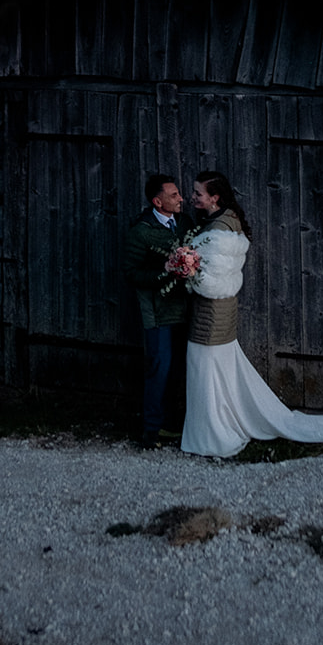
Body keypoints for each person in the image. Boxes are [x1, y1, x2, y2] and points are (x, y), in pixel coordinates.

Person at [181, 169, 323, 458]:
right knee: (214, 372)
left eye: (198, 193)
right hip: (215, 313)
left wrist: (185, 271)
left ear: (214, 197)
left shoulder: (220, 231)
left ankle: (214, 435)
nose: (193, 197)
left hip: (211, 315)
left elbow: (212, 282)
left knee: (206, 371)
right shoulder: (220, 222)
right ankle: (222, 423)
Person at [121, 174, 195, 449]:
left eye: (179, 194)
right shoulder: (141, 231)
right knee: (158, 369)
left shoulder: (184, 223)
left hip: (182, 310)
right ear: (157, 201)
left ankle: (172, 424)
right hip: (157, 313)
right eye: (174, 195)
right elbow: (131, 273)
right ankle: (151, 431)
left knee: (177, 371)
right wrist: (164, 271)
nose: (181, 199)